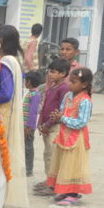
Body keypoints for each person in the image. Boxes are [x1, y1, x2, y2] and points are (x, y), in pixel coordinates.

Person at [0, 25, 29, 208]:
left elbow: (6, 94)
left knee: (2, 158)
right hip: (10, 115)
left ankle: (5, 206)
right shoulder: (16, 60)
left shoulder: (6, 61)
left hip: (5, 116)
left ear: (1, 40)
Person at [47, 67, 93, 205]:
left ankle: (73, 194)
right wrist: (57, 116)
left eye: (73, 82)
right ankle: (66, 191)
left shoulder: (85, 101)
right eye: (70, 81)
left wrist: (63, 119)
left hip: (76, 139)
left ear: (84, 84)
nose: (70, 84)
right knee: (63, 163)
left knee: (73, 166)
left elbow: (81, 122)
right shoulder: (68, 96)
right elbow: (63, 110)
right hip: (64, 135)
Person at [33, 58, 71, 195]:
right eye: (49, 71)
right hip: (46, 127)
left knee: (53, 155)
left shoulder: (64, 89)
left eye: (53, 72)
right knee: (47, 154)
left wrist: (48, 124)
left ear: (63, 73)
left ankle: (53, 185)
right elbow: (45, 107)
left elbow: (60, 110)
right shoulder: (51, 87)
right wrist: (40, 123)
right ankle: (49, 180)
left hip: (55, 126)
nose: (50, 74)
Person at [23, 70, 44, 177]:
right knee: (26, 146)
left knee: (28, 147)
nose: (24, 82)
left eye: (25, 80)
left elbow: (33, 112)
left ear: (29, 82)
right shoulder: (30, 93)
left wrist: (29, 127)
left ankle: (29, 169)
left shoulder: (35, 95)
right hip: (25, 125)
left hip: (28, 126)